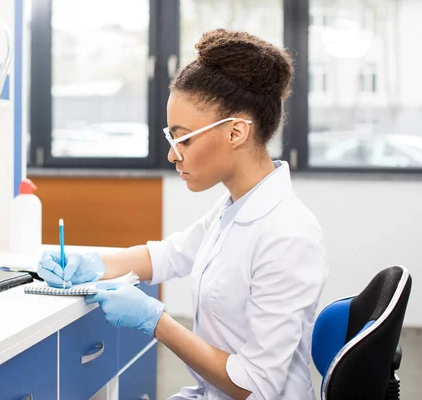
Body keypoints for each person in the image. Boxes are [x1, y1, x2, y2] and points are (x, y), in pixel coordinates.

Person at [38, 29, 327, 400]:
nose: (174, 154)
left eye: (184, 139)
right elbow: (169, 255)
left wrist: (156, 321)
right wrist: (92, 262)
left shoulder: (288, 235)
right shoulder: (235, 207)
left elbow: (254, 385)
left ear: (236, 132)